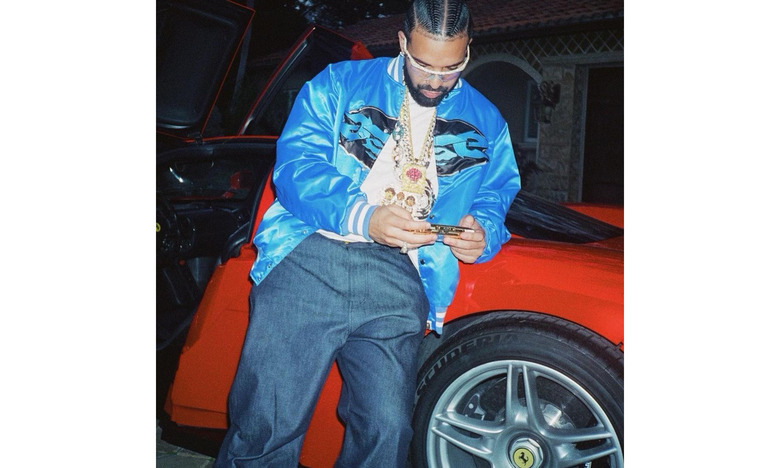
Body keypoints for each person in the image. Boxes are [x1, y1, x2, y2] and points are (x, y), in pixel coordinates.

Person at [215, 0, 520, 466]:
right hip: (310, 260)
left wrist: (484, 231)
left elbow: (496, 192)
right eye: (423, 64)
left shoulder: (488, 120)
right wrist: (363, 215)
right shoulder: (338, 84)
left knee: (387, 432)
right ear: (402, 43)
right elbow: (297, 167)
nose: (436, 80)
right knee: (267, 425)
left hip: (401, 277)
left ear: (468, 51)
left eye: (451, 67)